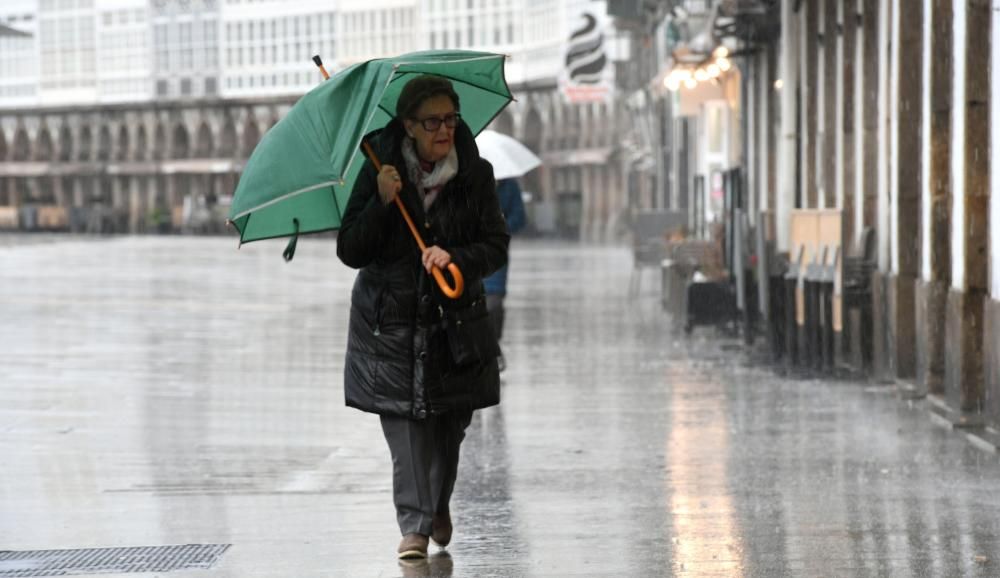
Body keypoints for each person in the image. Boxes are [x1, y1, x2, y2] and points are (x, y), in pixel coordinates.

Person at [335, 74, 510, 560]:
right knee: (406, 426)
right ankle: (413, 525)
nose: (444, 129)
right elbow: (351, 249)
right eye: (432, 121)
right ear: (408, 126)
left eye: (450, 119)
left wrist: (453, 257)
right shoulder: (378, 168)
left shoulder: (475, 174)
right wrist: (380, 202)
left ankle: (436, 503)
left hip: (454, 323)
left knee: (449, 425)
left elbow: (495, 245)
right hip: (390, 323)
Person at [483, 178, 526, 372]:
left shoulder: (509, 186)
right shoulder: (464, 179)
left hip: (496, 253)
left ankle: (493, 348)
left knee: (494, 304)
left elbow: (519, 218)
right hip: (467, 251)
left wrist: (501, 227)